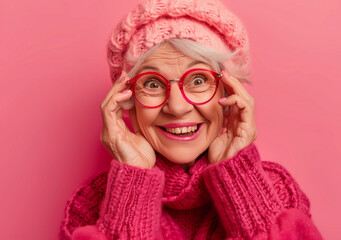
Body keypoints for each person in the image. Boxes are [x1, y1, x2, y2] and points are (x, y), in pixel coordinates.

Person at [59, 0, 323, 239]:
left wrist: (241, 182)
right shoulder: (93, 205)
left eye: (198, 80)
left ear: (229, 92)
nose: (176, 106)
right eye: (152, 83)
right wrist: (132, 187)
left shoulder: (274, 191)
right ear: (126, 100)